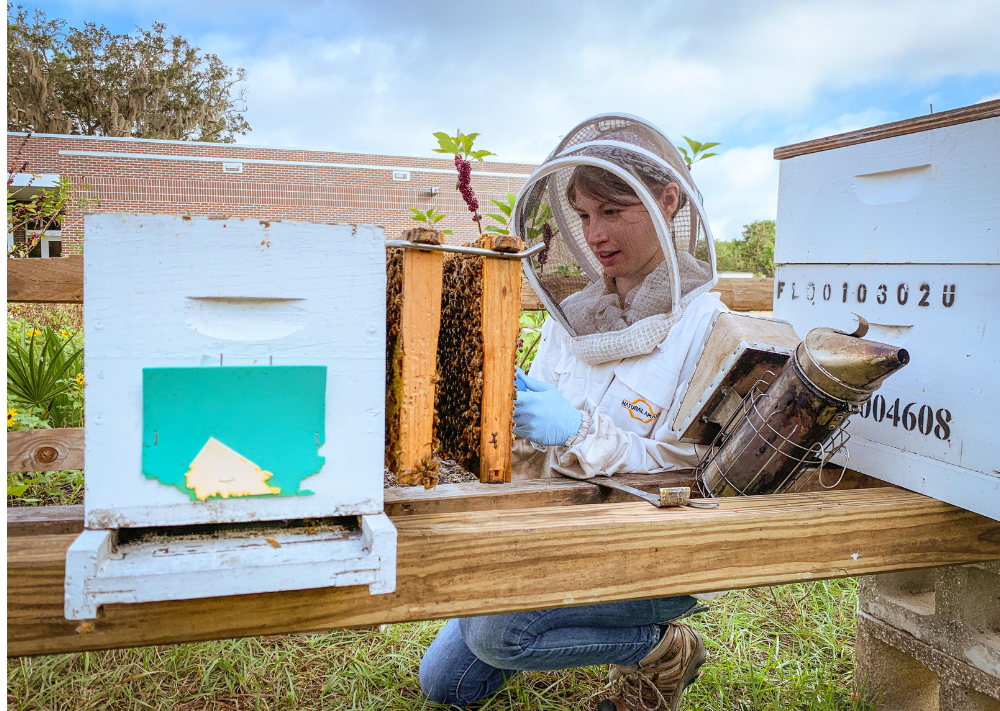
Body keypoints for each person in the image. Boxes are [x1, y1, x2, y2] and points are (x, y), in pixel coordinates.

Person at [419, 114, 727, 711]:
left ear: (667, 202)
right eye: (584, 216)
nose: (595, 235)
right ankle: (546, 617)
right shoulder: (575, 316)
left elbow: (692, 474)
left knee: (497, 633)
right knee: (448, 685)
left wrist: (581, 431)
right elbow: (537, 428)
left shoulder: (706, 326)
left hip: (652, 551)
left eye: (612, 212)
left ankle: (664, 649)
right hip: (556, 526)